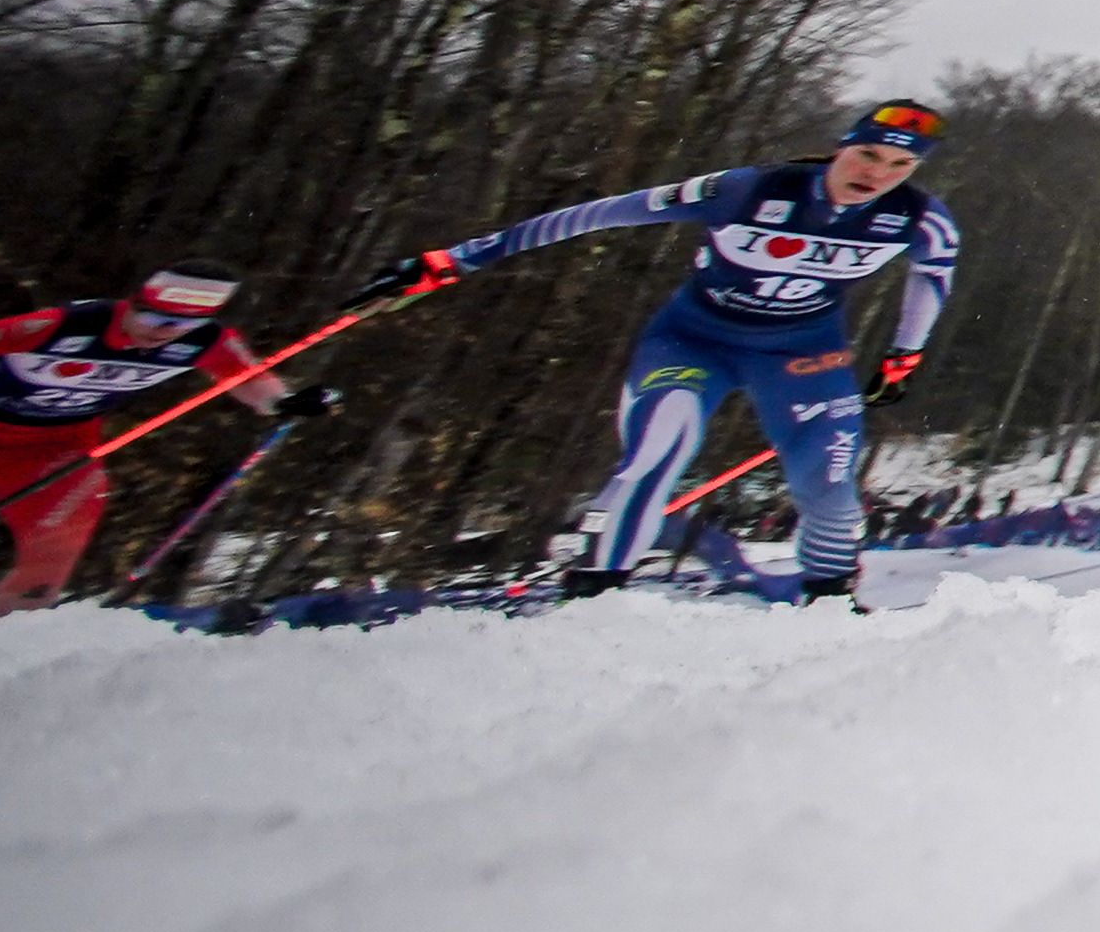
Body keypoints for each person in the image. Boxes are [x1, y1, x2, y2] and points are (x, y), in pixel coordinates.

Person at [374, 101, 959, 603]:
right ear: (843, 147)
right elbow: (597, 215)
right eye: (868, 155)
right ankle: (594, 592)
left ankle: (830, 599)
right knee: (658, 451)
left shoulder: (920, 218)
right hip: (694, 340)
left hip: (802, 353)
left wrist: (903, 356)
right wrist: (458, 258)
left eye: (899, 164)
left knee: (829, 480)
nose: (877, 173)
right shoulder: (747, 189)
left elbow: (931, 281)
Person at [0, 268, 323, 615]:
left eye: (182, 325)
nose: (163, 332)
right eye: (153, 317)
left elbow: (248, 377)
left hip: (52, 445)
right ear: (133, 304)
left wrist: (283, 402)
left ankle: (4, 632)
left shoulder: (205, 340)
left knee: (69, 520)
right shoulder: (70, 324)